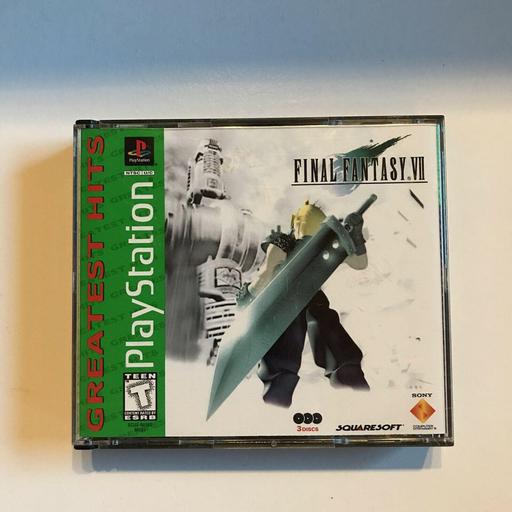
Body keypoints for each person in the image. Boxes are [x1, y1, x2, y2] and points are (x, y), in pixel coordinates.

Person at [238, 201, 370, 407]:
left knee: (283, 364)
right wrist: (355, 238)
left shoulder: (287, 242)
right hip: (304, 297)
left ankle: (277, 399)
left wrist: (246, 296)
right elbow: (360, 263)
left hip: (290, 298)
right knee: (331, 344)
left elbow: (266, 273)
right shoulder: (323, 243)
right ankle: (352, 384)